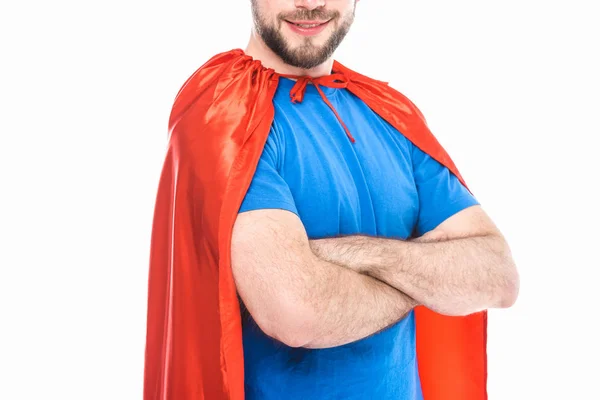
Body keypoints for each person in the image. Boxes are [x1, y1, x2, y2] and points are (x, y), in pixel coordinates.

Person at [143, 1, 520, 399]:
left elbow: (499, 275)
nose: (311, 3)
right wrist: (433, 281)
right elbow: (297, 312)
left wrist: (353, 258)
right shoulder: (223, 112)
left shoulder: (391, 113)